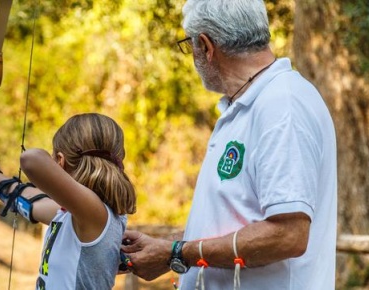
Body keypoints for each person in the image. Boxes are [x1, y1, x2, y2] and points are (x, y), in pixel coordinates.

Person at [121, 0, 337, 289]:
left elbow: (289, 235)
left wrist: (178, 253)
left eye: (190, 46)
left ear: (206, 46)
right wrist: (173, 250)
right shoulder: (246, 104)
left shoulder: (282, 104)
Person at [0, 113, 137, 289]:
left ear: (60, 161)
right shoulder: (73, 216)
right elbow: (26, 200)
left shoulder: (95, 214)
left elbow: (31, 158)